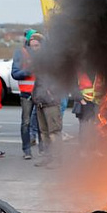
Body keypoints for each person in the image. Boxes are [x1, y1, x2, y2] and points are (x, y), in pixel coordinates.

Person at [31, 35, 64, 168]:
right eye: (32, 46)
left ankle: (57, 159)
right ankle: (48, 157)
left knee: (54, 132)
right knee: (44, 132)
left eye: (36, 46)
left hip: (51, 102)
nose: (34, 49)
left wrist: (52, 92)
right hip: (40, 102)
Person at [11, 29, 39, 159]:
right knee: (26, 122)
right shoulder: (21, 53)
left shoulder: (44, 53)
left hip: (41, 93)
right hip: (27, 94)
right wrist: (29, 71)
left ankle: (44, 150)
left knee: (42, 123)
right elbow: (15, 73)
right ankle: (27, 150)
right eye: (32, 39)